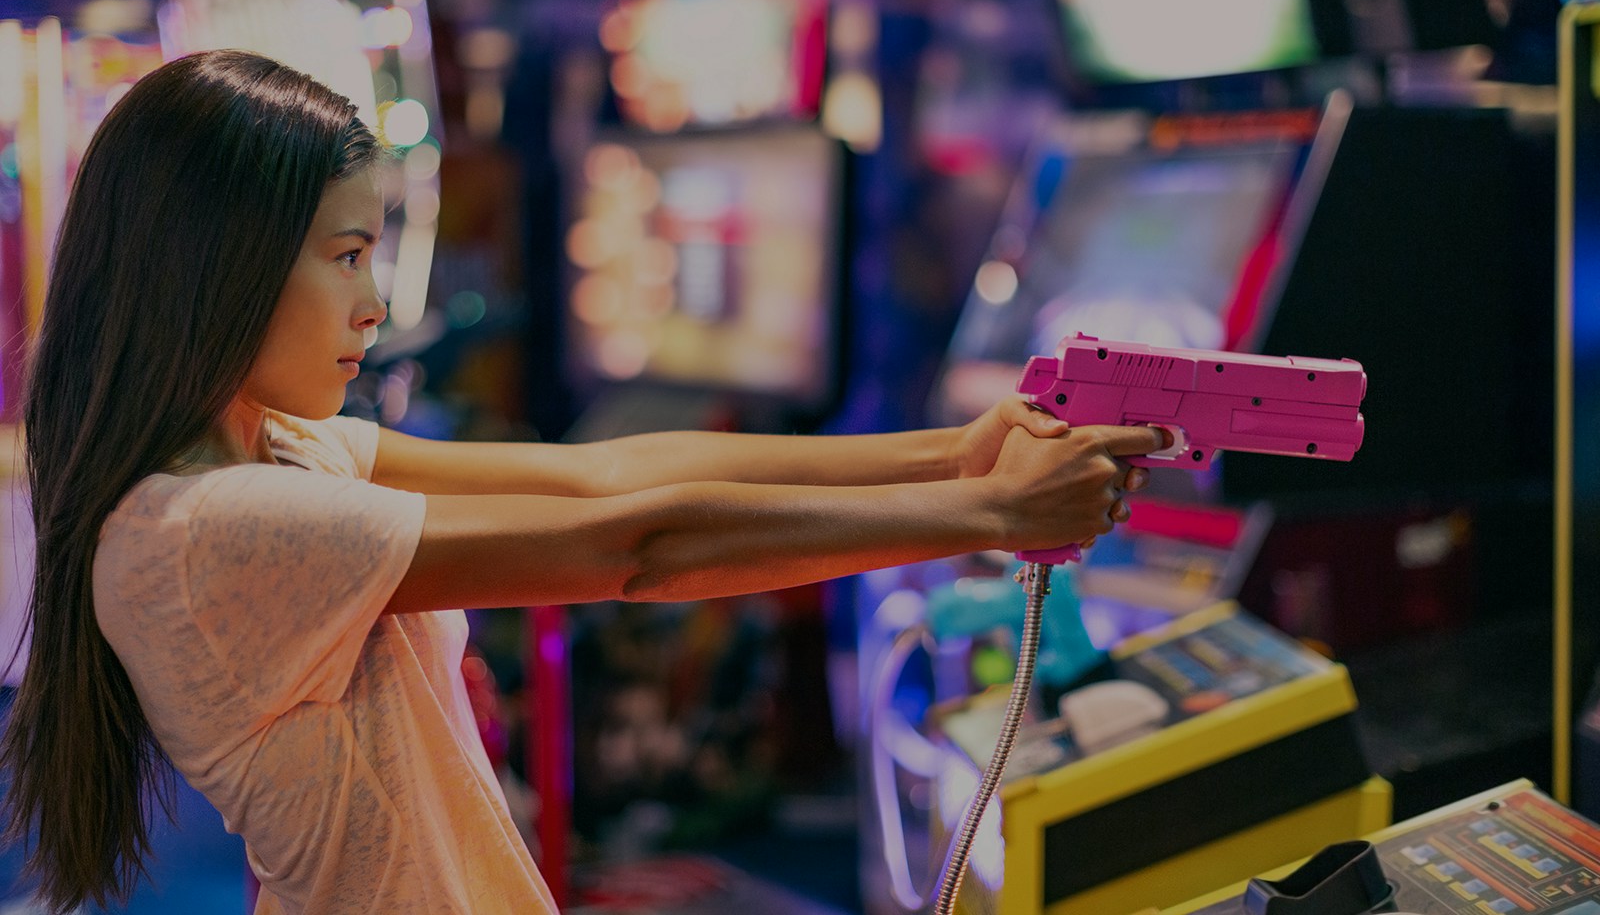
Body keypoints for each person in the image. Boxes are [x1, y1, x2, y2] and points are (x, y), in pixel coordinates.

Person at [0, 49, 1165, 915]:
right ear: (221, 263)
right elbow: (633, 546)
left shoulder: (273, 451)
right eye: (347, 256)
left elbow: (604, 472)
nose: (373, 302)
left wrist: (949, 451)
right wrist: (988, 513)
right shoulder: (210, 527)